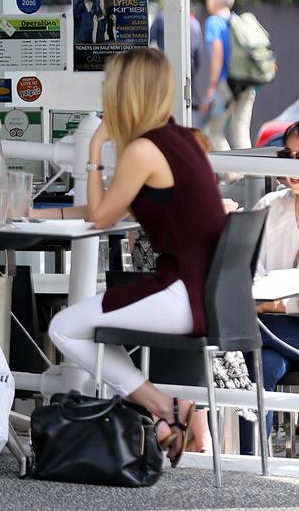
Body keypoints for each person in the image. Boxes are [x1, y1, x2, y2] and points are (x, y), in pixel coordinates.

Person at [47, 47, 226, 467]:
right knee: (80, 327)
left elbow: (100, 215)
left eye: (109, 86)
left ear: (125, 94)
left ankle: (164, 407)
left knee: (64, 328)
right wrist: (32, 212)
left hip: (181, 294)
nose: (105, 93)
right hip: (204, 294)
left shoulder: (143, 150)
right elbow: (113, 207)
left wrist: (93, 148)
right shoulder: (179, 141)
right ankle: (167, 409)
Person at [240, 121, 299, 454]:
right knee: (259, 365)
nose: (292, 167)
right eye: (287, 156)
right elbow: (247, 275)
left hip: (272, 321)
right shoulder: (268, 207)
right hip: (271, 327)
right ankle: (253, 464)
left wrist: (271, 306)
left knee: (239, 337)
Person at [200, 0, 255, 151]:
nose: (207, 1)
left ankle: (232, 174)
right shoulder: (238, 21)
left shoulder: (214, 22)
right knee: (241, 130)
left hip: (226, 85)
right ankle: (249, 174)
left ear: (216, 0)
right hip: (247, 83)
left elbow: (217, 53)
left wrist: (212, 85)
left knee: (212, 130)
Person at [150, 6, 203, 126]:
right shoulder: (195, 24)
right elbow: (199, 57)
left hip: (164, 73)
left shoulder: (160, 17)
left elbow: (148, 44)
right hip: (188, 76)